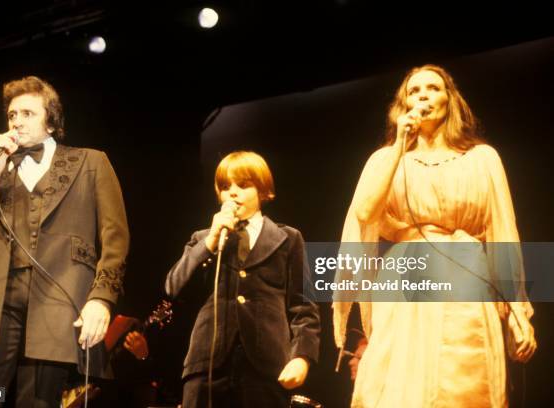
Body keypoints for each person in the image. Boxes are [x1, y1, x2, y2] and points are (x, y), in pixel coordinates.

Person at [332, 65, 536, 407]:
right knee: (398, 388)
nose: (423, 95)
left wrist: (517, 313)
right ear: (403, 105)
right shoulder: (386, 159)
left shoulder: (482, 159)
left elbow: (503, 234)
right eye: (414, 91)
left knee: (463, 384)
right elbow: (365, 213)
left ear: (449, 100)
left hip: (467, 282)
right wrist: (399, 145)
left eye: (433, 88)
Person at [0, 76, 129, 407]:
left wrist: (102, 298)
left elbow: (115, 238)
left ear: (51, 120)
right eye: (12, 114)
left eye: (28, 113)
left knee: (36, 402)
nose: (16, 121)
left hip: (56, 300)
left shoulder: (91, 162)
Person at [165, 151, 320, 408]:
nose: (233, 193)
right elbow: (173, 287)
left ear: (262, 190)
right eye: (226, 187)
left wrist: (301, 357)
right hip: (208, 366)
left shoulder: (288, 239)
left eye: (243, 185)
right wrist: (211, 242)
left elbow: (304, 307)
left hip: (265, 369)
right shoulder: (203, 239)